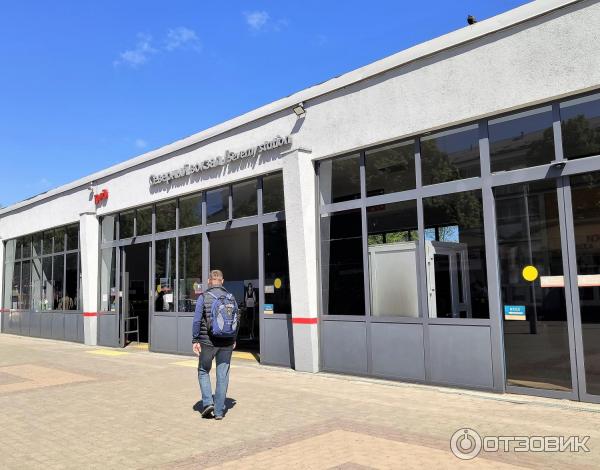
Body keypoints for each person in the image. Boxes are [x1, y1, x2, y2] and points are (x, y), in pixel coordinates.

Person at [192, 270, 237, 420]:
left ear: (209, 281)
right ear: (222, 281)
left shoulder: (204, 297)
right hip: (227, 342)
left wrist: (195, 340)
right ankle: (218, 412)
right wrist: (234, 338)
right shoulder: (231, 297)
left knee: (203, 370)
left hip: (208, 342)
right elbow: (237, 319)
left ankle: (207, 403)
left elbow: (197, 320)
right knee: (222, 376)